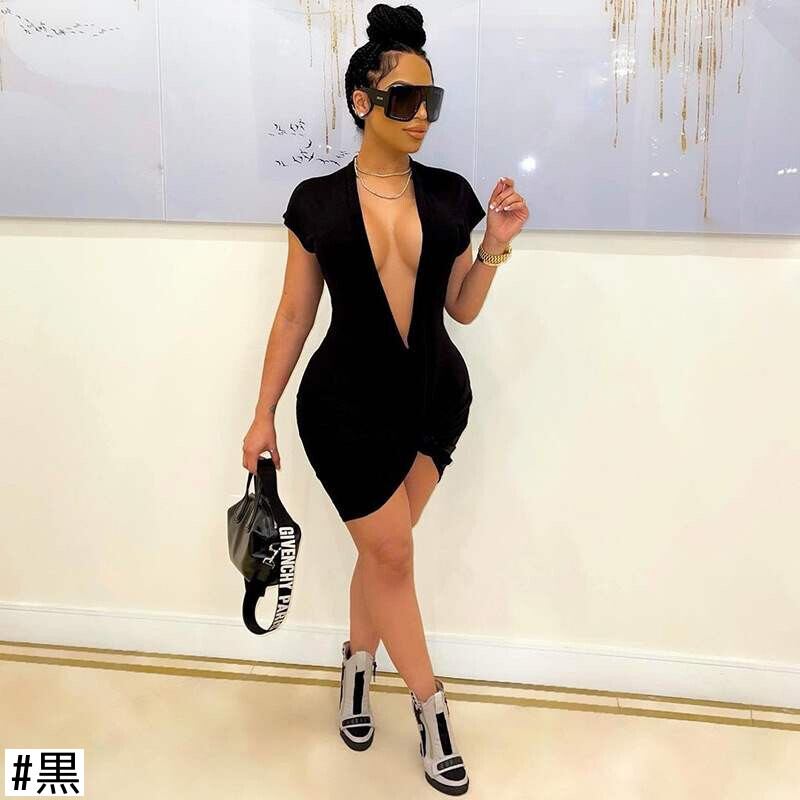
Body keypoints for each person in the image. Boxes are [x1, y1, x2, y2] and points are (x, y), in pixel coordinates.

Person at [242, 3, 528, 794]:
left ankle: (357, 666)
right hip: (343, 410)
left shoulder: (450, 196)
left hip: (434, 400)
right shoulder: (316, 202)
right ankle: (432, 709)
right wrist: (263, 413)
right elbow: (294, 314)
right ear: (362, 101)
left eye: (431, 100)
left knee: (384, 555)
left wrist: (494, 248)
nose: (422, 115)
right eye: (405, 99)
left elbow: (460, 308)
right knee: (394, 554)